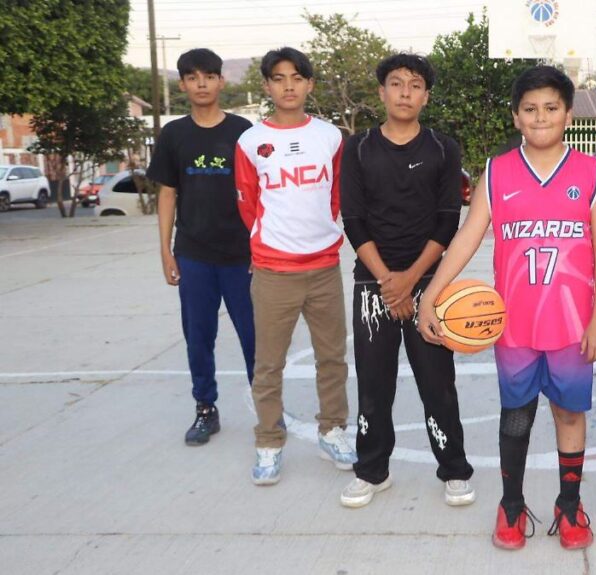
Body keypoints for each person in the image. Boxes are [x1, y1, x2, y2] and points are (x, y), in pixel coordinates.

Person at [417, 66, 596, 551]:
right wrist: (431, 296)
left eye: (551, 107)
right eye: (530, 109)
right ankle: (511, 504)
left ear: (568, 114)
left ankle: (569, 504)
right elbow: (467, 238)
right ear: (516, 116)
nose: (540, 116)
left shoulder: (592, 172)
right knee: (516, 416)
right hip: (514, 326)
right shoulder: (499, 171)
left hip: (573, 325)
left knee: (569, 414)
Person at [338, 53, 475, 509]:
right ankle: (371, 471)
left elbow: (447, 221)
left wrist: (411, 281)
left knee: (438, 383)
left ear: (426, 96)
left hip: (429, 284)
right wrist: (386, 281)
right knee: (374, 385)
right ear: (381, 92)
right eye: (396, 83)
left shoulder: (442, 148)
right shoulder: (358, 148)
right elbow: (353, 220)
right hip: (371, 285)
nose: (405, 93)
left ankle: (454, 470)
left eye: (415, 85)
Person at [235, 47, 356, 485]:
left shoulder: (330, 137)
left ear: (309, 84)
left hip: (324, 267)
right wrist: (270, 245)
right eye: (279, 78)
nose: (288, 86)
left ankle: (333, 430)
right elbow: (248, 203)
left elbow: (336, 195)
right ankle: (269, 442)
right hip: (273, 271)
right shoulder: (251, 141)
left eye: (297, 77)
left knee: (332, 358)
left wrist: (320, 234)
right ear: (266, 86)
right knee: (268, 364)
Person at [148, 48, 255, 446]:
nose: (202, 84)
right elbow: (167, 193)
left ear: (221, 81)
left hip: (242, 255)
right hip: (193, 254)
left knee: (255, 337)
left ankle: (267, 409)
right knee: (198, 337)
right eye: (193, 77)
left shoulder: (243, 131)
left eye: (209, 76)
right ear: (183, 85)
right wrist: (166, 250)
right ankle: (205, 409)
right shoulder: (174, 134)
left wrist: (261, 246)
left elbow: (259, 193)